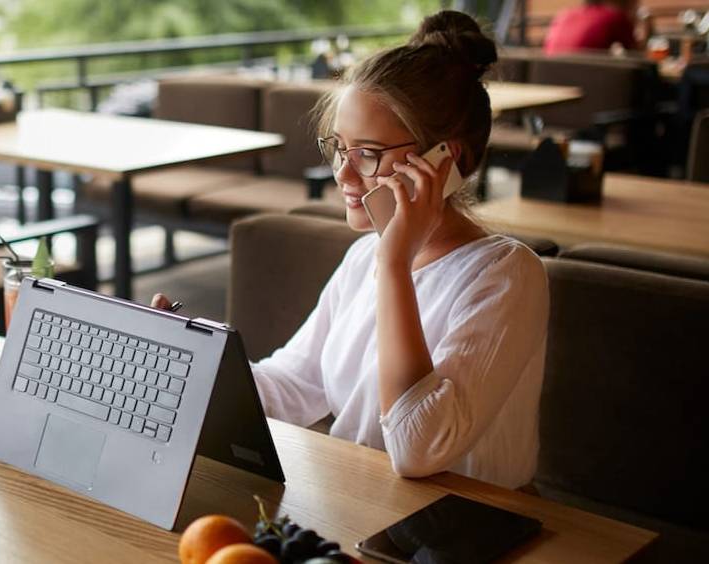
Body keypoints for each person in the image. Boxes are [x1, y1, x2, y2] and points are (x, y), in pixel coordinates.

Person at [152, 10, 549, 489]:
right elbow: (295, 386)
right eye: (340, 147)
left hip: (462, 530)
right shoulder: (366, 257)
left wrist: (396, 263)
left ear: (446, 161)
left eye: (368, 153)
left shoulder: (506, 275)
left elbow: (417, 449)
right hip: (361, 503)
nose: (342, 172)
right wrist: (191, 359)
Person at [543, 0, 639, 55]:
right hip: (586, 81)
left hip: (549, 81)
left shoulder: (564, 15)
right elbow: (636, 54)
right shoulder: (615, 16)